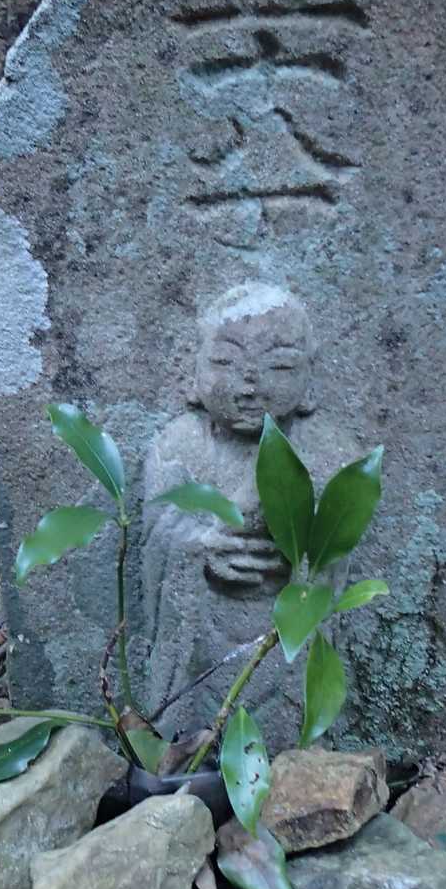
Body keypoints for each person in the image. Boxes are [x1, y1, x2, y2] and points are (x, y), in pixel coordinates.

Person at [141, 282, 337, 740]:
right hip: (200, 641)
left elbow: (339, 546)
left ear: (310, 379)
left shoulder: (325, 453)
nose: (250, 385)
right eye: (225, 363)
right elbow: (156, 533)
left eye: (279, 366)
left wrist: (302, 556)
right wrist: (198, 545)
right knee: (189, 718)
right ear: (191, 370)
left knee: (289, 714)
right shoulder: (180, 447)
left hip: (284, 638)